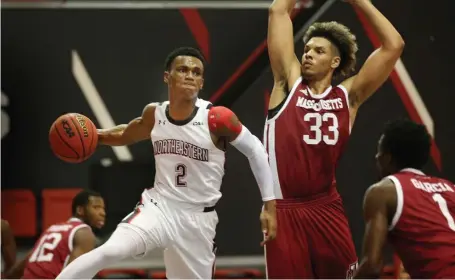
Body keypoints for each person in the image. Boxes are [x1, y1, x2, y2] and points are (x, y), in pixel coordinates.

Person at [56, 46, 277, 279]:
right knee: (110, 251)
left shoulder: (217, 118)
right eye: (182, 69)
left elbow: (255, 150)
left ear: (202, 82)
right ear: (167, 77)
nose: (190, 75)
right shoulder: (155, 114)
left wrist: (269, 205)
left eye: (196, 72)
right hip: (159, 208)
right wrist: (93, 137)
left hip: (197, 221)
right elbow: (125, 134)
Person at [265, 0, 404, 277]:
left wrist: (360, 2)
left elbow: (394, 46)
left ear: (335, 61)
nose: (307, 55)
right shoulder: (287, 83)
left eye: (318, 51)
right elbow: (278, 11)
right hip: (284, 208)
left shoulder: (347, 97)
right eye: (306, 50)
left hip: (326, 206)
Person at [354, 119, 455, 278]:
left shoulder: (383, 191)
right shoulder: (450, 188)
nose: (376, 157)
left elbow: (371, 268)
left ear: (387, 158)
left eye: (379, 151)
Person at [5, 190, 105, 279]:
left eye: (103, 208)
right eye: (96, 207)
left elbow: (22, 265)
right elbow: (73, 275)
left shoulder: (53, 228)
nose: (102, 213)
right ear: (80, 210)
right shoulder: (84, 233)